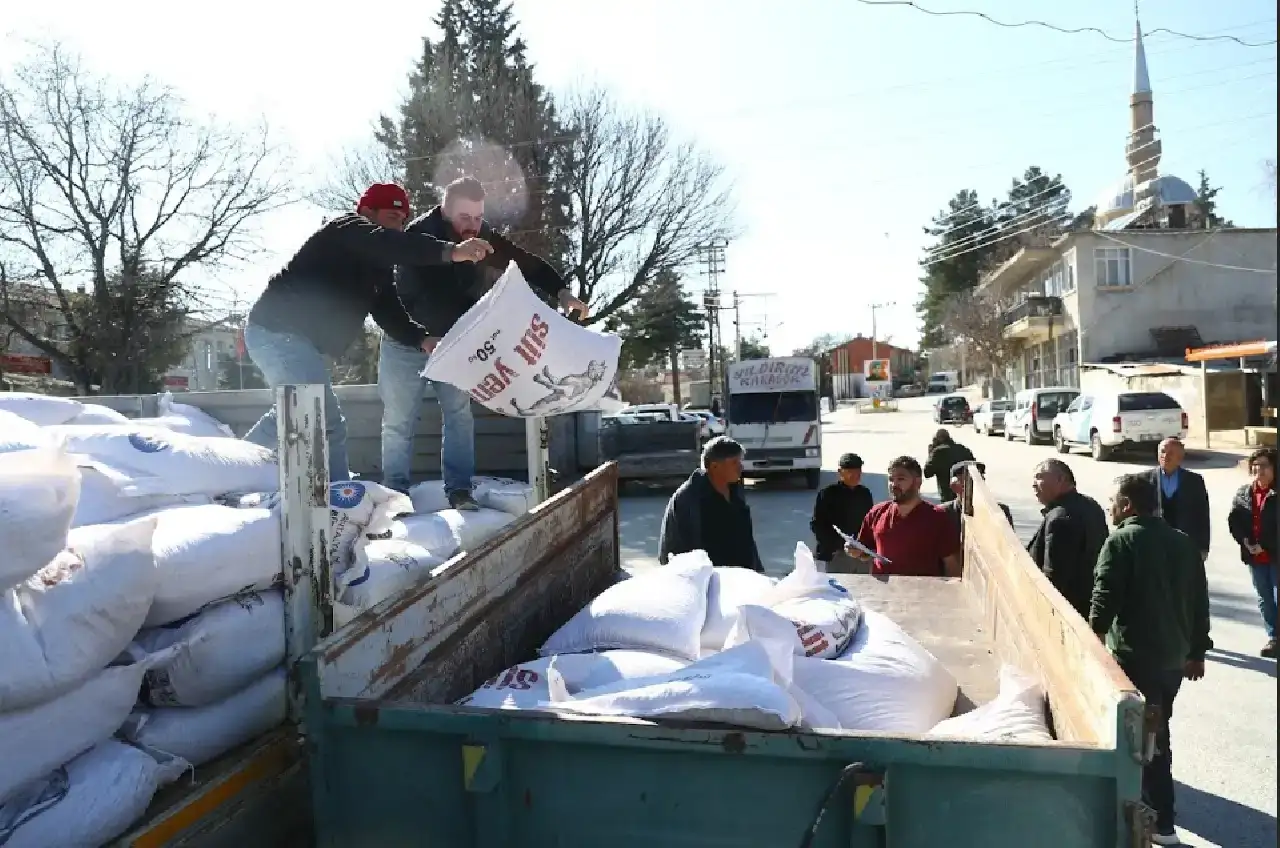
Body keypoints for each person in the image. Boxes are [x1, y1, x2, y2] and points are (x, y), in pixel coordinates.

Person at [242, 182, 493, 483]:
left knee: (289, 415)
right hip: (277, 331)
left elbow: (388, 309)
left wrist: (420, 338)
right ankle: (339, 504)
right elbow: (387, 243)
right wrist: (451, 251)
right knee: (325, 420)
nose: (397, 228)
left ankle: (227, 467)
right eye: (390, 218)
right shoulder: (345, 229)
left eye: (402, 222)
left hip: (296, 342)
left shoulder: (377, 268)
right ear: (366, 212)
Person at [378, 176, 588, 507]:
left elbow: (524, 262)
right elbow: (412, 296)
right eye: (464, 218)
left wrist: (561, 290)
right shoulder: (419, 235)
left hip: (455, 344)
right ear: (445, 210)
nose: (472, 226)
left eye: (478, 218)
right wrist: (426, 334)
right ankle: (395, 495)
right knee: (399, 420)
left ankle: (459, 490)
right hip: (407, 340)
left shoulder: (481, 235)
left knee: (460, 415)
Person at [1089, 473, 1211, 846]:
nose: (1110, 508)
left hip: (1135, 655)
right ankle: (1155, 810)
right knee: (1154, 732)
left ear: (1127, 505)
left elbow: (1105, 594)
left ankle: (1161, 820)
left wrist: (1091, 637)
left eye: (1113, 501)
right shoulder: (1183, 543)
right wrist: (1196, 651)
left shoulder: (1121, 540)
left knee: (1147, 739)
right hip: (1173, 658)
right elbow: (1199, 601)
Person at [659, 436, 763, 571]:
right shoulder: (689, 498)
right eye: (734, 462)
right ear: (714, 466)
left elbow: (746, 538)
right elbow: (676, 549)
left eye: (740, 461)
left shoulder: (735, 490)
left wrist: (757, 571)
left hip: (739, 578)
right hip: (705, 580)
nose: (740, 467)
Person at [850, 456, 961, 576]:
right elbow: (866, 552)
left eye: (901, 479)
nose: (894, 484)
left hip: (922, 591)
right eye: (891, 479)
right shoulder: (876, 513)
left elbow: (951, 564)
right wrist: (856, 551)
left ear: (917, 482)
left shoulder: (937, 517)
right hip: (882, 591)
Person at [1027, 458, 1109, 618]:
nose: (1034, 484)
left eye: (1039, 476)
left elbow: (1054, 578)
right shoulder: (1091, 505)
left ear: (1061, 479)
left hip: (1067, 614)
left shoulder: (1060, 518)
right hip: (1089, 605)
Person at [1227, 447, 1278, 658]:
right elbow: (1234, 520)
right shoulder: (1243, 493)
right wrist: (1245, 541)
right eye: (1256, 466)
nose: (1259, 470)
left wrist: (1265, 545)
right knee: (1265, 598)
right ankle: (1274, 637)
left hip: (1274, 554)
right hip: (1254, 557)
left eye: (1264, 466)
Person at [1145, 437, 1211, 560]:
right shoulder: (1145, 479)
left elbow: (1202, 515)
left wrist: (1203, 547)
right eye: (1163, 451)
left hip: (1184, 545)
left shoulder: (1194, 481)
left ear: (1180, 458)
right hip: (1154, 546)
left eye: (1171, 453)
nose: (1165, 456)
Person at [810, 453, 874, 573]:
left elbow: (870, 523)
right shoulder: (828, 494)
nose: (855, 475)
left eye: (858, 471)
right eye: (850, 472)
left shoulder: (864, 494)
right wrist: (835, 547)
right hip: (835, 554)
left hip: (860, 554)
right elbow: (818, 525)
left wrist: (865, 548)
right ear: (840, 472)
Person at [942, 461, 1013, 540]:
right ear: (954, 486)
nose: (977, 486)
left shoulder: (1000, 512)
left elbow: (1009, 546)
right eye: (970, 482)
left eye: (980, 481)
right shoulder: (943, 513)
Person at [922, 429, 974, 503]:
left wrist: (931, 454)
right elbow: (974, 466)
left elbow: (927, 473)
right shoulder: (962, 449)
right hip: (965, 493)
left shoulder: (937, 452)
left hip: (947, 495)